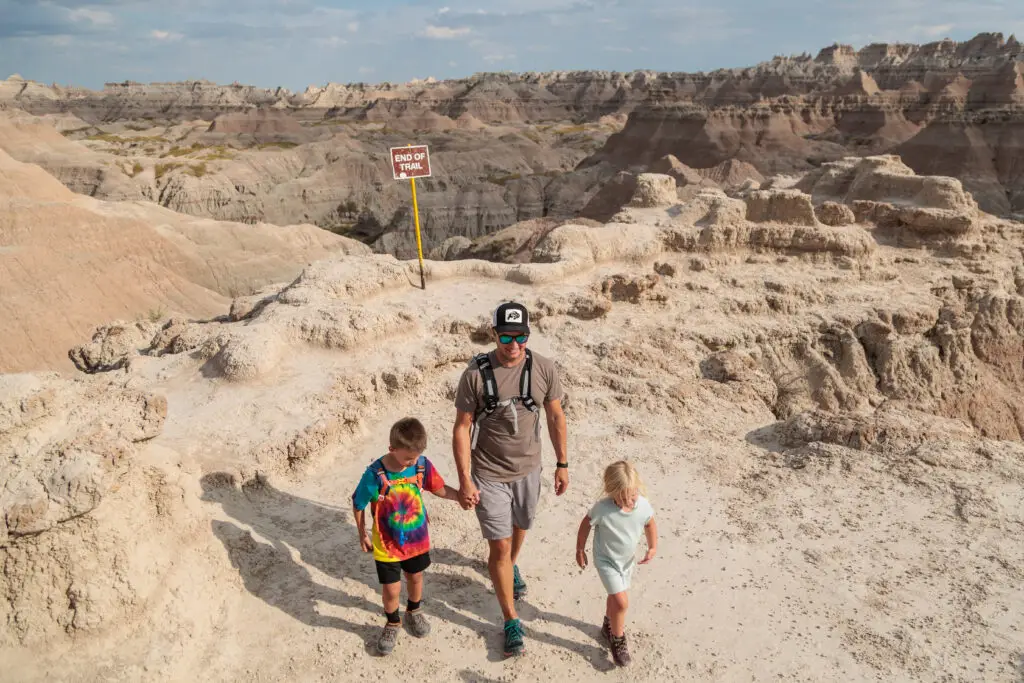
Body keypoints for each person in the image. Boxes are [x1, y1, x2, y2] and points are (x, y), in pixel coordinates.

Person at [452, 301, 569, 657]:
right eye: (506, 336)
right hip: (488, 473)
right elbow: (461, 428)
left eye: (520, 336)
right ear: (494, 334)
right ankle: (510, 619)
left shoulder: (544, 369)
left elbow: (555, 418)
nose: (513, 344)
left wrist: (562, 463)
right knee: (498, 546)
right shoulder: (475, 375)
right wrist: (464, 482)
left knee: (522, 525)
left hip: (529, 469)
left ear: (528, 335)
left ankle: (511, 566)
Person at [352, 416, 459, 655]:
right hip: (386, 545)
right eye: (408, 457)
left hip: (416, 541)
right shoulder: (374, 474)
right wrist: (362, 534)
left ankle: (414, 610)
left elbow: (438, 488)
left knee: (416, 578)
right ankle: (392, 622)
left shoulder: (421, 465)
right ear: (392, 449)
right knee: (391, 590)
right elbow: (358, 503)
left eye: (416, 456)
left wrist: (459, 496)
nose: (412, 461)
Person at [574, 460, 658, 667]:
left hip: (626, 562)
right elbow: (585, 524)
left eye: (633, 494)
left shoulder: (643, 505)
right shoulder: (602, 509)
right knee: (621, 602)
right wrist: (580, 549)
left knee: (615, 597)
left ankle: (608, 626)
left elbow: (649, 523)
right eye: (623, 497)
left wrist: (652, 547)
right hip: (606, 561)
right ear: (611, 491)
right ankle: (618, 640)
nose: (630, 500)